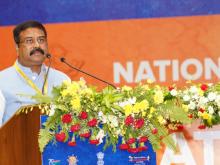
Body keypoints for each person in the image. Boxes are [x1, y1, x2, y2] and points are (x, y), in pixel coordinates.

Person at [0, 20, 70, 125]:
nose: (37, 45)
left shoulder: (62, 80)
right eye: (29, 41)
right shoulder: (2, 81)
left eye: (41, 40)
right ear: (17, 47)